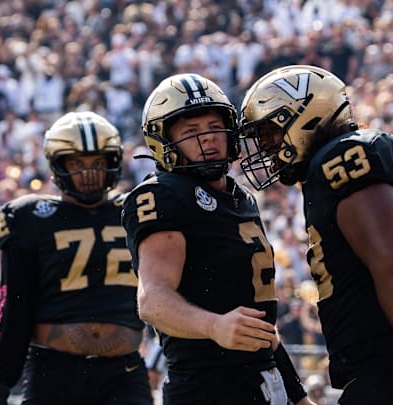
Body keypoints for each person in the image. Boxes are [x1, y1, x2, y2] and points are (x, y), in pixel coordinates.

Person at [238, 65, 393, 405]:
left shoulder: (343, 157)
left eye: (270, 132)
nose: (265, 146)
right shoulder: (365, 150)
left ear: (304, 116)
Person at [121, 73, 314, 405]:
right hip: (207, 389)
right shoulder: (162, 195)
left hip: (266, 385)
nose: (207, 140)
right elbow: (152, 301)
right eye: (191, 132)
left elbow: (260, 325)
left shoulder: (241, 198)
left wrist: (297, 397)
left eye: (213, 127)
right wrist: (213, 326)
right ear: (165, 142)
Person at [0, 111, 152, 404]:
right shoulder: (29, 217)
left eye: (97, 163)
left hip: (122, 372)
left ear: (112, 162)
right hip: (53, 370)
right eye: (76, 163)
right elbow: (14, 306)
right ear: (57, 164)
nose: (88, 173)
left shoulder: (137, 210)